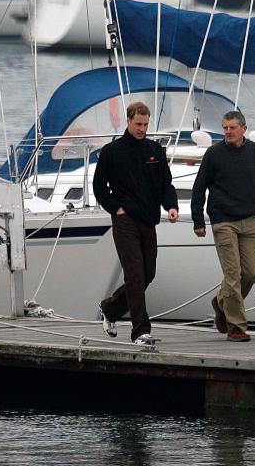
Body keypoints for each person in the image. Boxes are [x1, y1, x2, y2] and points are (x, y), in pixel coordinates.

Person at [93, 101, 178, 345]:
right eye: (138, 124)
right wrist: (115, 208)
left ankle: (110, 309)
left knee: (147, 274)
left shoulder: (154, 150)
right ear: (128, 121)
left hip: (148, 219)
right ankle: (141, 331)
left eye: (145, 124)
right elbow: (99, 186)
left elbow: (165, 185)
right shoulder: (112, 151)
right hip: (125, 219)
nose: (142, 128)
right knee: (135, 275)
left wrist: (171, 206)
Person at [191, 110, 255, 342]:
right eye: (225, 128)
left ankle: (221, 301)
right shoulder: (214, 154)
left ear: (243, 129)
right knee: (233, 274)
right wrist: (198, 220)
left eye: (232, 128)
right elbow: (199, 188)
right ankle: (236, 327)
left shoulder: (254, 152)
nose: (228, 132)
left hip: (249, 219)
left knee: (250, 273)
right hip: (223, 221)